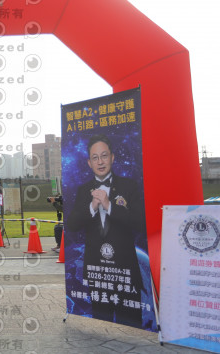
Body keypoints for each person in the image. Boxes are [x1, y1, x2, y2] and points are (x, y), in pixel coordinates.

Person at [66, 134, 145, 327]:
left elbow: (140, 223)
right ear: (89, 163)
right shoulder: (83, 190)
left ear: (112, 157)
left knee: (131, 325)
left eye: (104, 156)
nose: (100, 162)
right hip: (97, 272)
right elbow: (72, 225)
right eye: (95, 158)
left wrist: (110, 206)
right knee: (101, 325)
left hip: (125, 272)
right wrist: (92, 207)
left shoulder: (129, 186)